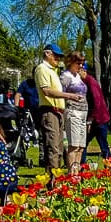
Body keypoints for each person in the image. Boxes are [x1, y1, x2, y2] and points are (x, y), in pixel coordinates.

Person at [35, 43, 81, 177]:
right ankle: (52, 182)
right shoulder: (42, 68)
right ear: (47, 53)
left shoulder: (53, 71)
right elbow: (47, 91)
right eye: (56, 55)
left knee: (60, 149)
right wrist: (69, 96)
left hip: (58, 112)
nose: (58, 59)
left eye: (60, 56)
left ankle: (56, 178)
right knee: (53, 148)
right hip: (49, 111)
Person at [60, 51, 88, 175]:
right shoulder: (66, 76)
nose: (81, 66)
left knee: (81, 146)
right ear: (70, 62)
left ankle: (77, 171)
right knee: (74, 145)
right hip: (73, 111)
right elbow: (61, 94)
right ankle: (72, 173)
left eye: (82, 63)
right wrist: (71, 97)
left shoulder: (78, 76)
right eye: (78, 63)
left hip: (83, 112)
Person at [80, 64, 111, 163]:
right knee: (83, 143)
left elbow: (96, 101)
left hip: (99, 119)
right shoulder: (85, 82)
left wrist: (90, 119)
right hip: (95, 119)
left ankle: (110, 166)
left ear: (83, 71)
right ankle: (82, 165)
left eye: (78, 71)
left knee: (102, 144)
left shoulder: (90, 82)